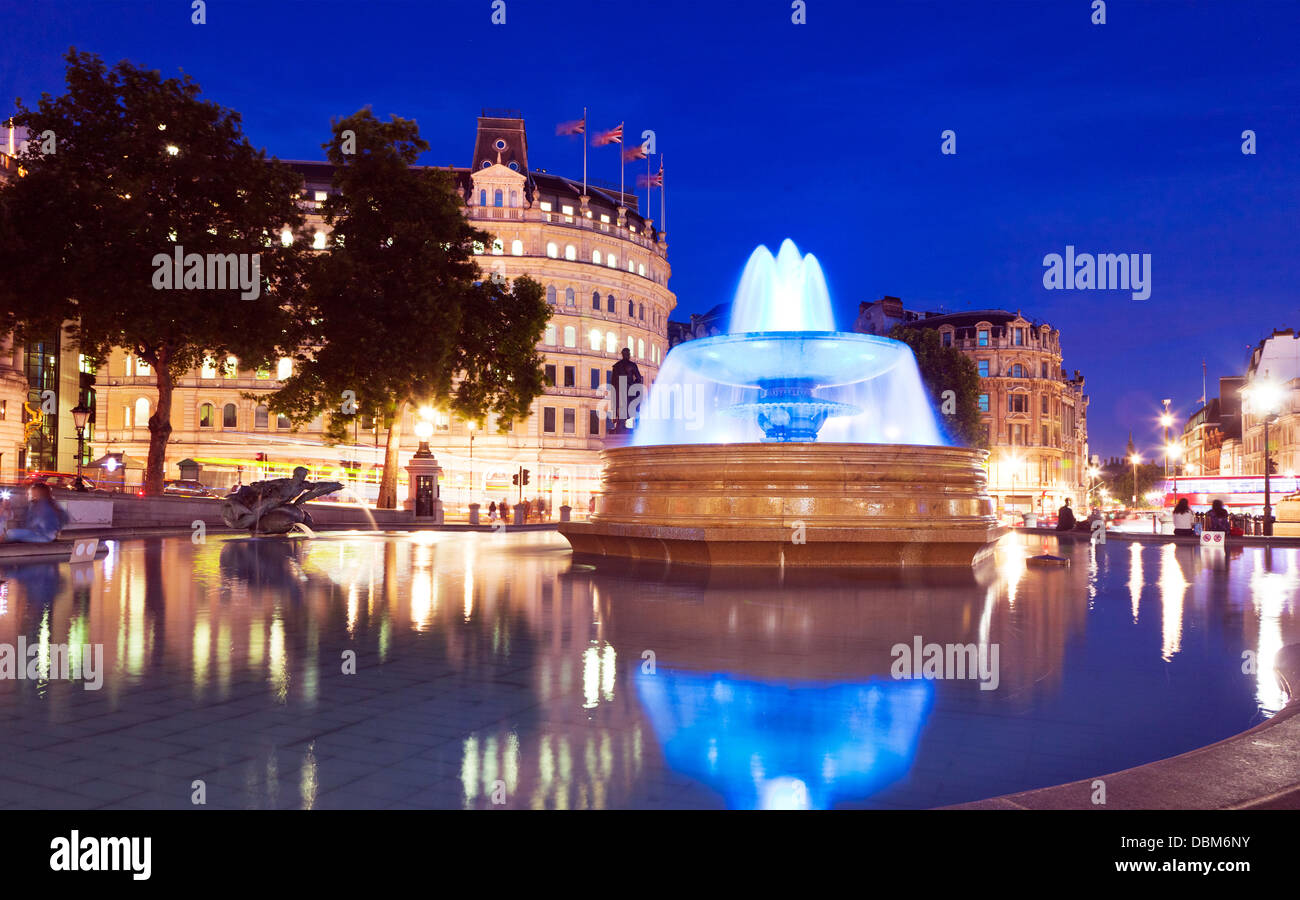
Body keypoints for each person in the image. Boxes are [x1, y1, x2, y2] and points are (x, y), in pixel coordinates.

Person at [1, 482, 69, 543]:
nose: (27, 495)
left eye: (30, 493)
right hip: (49, 536)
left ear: (36, 493)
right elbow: (65, 518)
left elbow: (33, 524)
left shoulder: (40, 505)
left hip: (42, 536)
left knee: (11, 533)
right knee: (11, 533)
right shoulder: (51, 503)